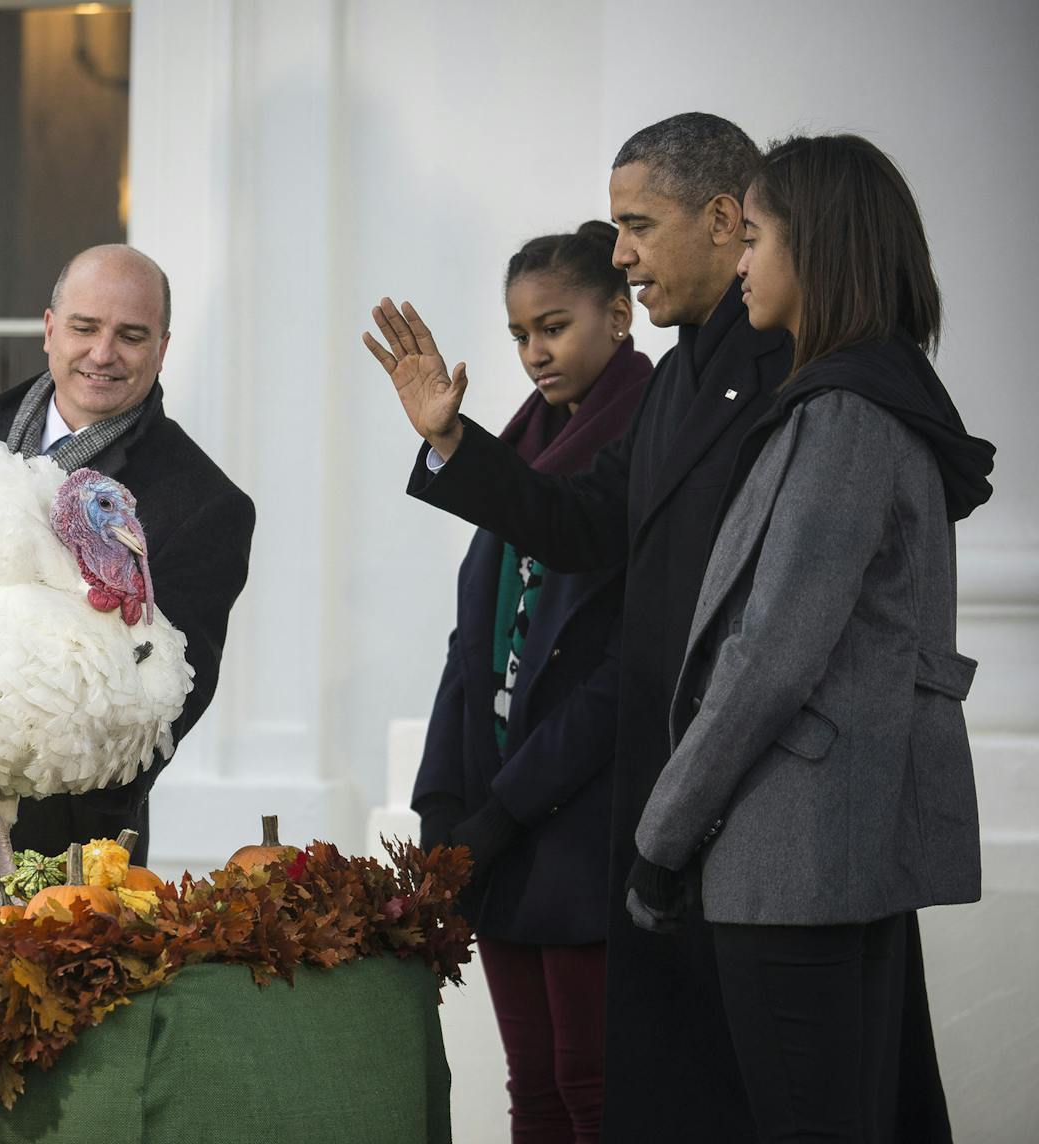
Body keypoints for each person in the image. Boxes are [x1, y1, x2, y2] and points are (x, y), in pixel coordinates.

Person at [365, 113, 951, 1142]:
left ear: (725, 221)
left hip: (762, 811)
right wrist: (451, 440)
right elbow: (586, 524)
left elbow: (775, 637)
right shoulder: (684, 372)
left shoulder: (805, 377)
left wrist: (668, 824)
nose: (620, 252)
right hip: (683, 802)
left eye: (635, 223)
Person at [627, 133, 993, 1143]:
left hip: (795, 861)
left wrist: (659, 837)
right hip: (832, 849)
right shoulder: (872, 402)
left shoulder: (841, 418)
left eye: (753, 237)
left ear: (816, 249)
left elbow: (768, 656)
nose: (740, 261)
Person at [0, 244, 256, 924]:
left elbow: (171, 701)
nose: (103, 353)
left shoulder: (202, 503)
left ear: (163, 348)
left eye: (131, 335)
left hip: (61, 865)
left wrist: (65, 836)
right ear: (50, 328)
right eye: (86, 327)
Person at [414, 222, 650, 1143]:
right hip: (502, 824)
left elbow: (625, 662)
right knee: (534, 1089)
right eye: (519, 334)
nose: (535, 352)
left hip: (582, 819)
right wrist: (442, 803)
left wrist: (506, 810)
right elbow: (474, 636)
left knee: (593, 1085)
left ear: (621, 315)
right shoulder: (526, 437)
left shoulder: (647, 433)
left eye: (554, 326)